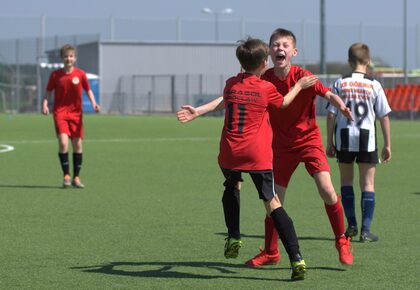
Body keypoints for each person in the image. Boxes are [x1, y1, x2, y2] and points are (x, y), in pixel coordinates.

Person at [177, 28, 355, 266]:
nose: (280, 48)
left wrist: (341, 105)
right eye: (275, 45)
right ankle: (271, 252)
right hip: (279, 147)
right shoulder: (264, 78)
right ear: (269, 52)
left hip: (308, 142)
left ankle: (341, 240)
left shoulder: (303, 76)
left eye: (285, 45)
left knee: (326, 190)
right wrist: (198, 111)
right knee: (273, 202)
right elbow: (230, 97)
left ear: (294, 51)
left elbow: (328, 94)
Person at [212, 37, 318, 280]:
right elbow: (284, 103)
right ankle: (296, 258)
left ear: (240, 63)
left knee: (232, 184)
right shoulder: (266, 88)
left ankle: (234, 236)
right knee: (272, 203)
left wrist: (198, 111)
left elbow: (224, 102)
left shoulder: (231, 84)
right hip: (256, 154)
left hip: (229, 152)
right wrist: (299, 85)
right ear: (263, 63)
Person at [326, 43, 391, 243]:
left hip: (345, 136)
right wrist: (387, 144)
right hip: (367, 138)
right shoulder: (375, 84)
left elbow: (331, 114)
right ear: (368, 61)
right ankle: (365, 230)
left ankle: (352, 225)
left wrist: (329, 141)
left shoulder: (340, 83)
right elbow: (384, 116)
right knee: (368, 183)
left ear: (349, 61)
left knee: (346, 182)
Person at [42, 44, 100, 188]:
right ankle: (66, 175)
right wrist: (44, 104)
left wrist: (94, 103)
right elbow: (48, 91)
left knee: (78, 145)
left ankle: (77, 178)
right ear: (62, 58)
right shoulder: (55, 75)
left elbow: (88, 90)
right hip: (60, 113)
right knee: (63, 143)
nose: (69, 58)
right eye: (66, 56)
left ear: (75, 58)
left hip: (76, 114)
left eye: (71, 56)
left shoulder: (80, 74)